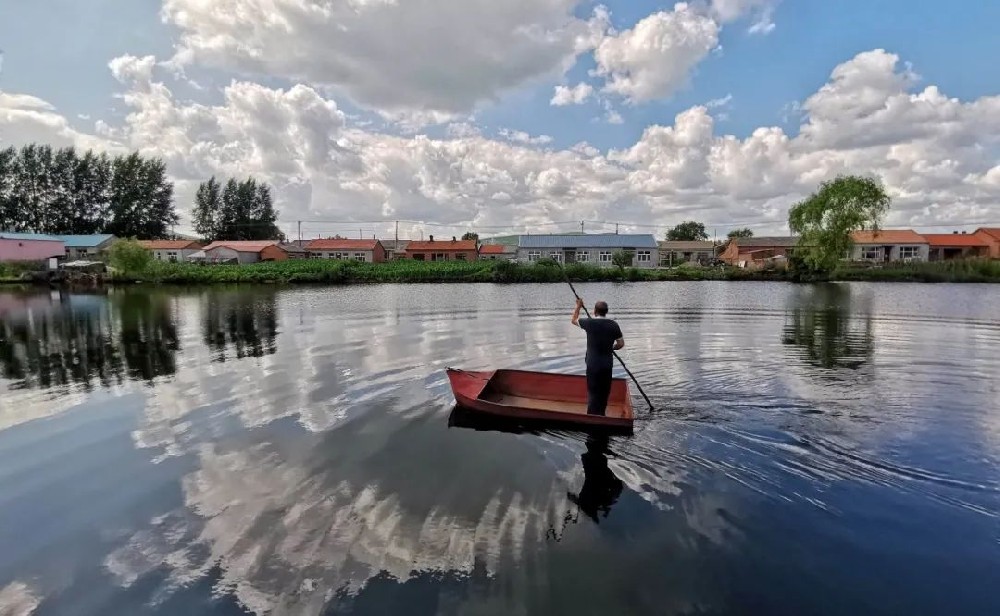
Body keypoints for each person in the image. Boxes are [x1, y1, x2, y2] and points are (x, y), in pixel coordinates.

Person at [571, 297, 624, 415]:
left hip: (593, 365)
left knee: (593, 392)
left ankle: (592, 415)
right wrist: (611, 348)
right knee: (604, 391)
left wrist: (578, 306)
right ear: (606, 312)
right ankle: (602, 414)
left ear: (594, 311)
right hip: (607, 365)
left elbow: (574, 320)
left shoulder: (589, 323)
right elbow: (620, 344)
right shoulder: (613, 325)